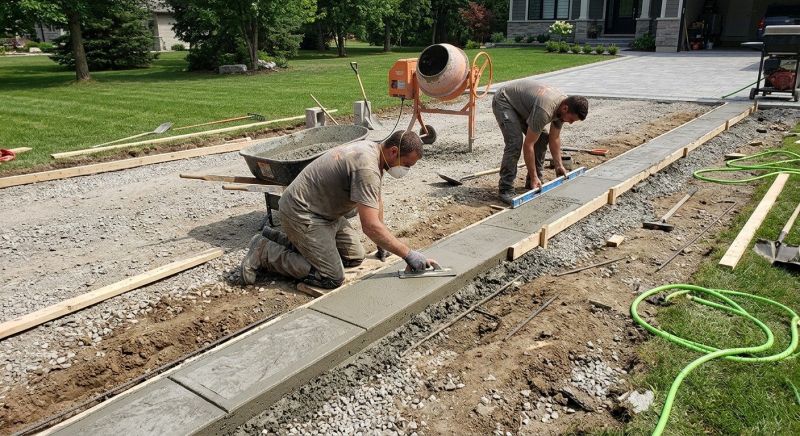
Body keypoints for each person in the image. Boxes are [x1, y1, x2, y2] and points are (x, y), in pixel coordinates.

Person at [240, 131, 438, 289]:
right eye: (407, 165)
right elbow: (370, 226)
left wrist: (383, 244)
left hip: (327, 213)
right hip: (302, 212)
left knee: (354, 258)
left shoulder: (375, 151)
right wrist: (408, 254)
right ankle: (265, 252)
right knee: (331, 277)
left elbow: (376, 199)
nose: (406, 170)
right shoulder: (366, 168)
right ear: (394, 151)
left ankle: (277, 238)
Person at [492, 79, 588, 205]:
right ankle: (506, 188)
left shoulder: (562, 108)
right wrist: (534, 176)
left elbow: (554, 138)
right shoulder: (545, 110)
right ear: (565, 108)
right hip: (505, 101)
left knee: (542, 138)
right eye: (571, 119)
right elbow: (529, 145)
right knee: (515, 142)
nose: (570, 122)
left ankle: (532, 182)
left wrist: (559, 165)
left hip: (524, 105)